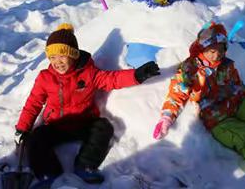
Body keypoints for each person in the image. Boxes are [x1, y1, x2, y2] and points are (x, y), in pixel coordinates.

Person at [14, 23, 160, 189]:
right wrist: (22, 128)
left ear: (74, 55)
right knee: (36, 137)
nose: (57, 62)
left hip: (83, 123)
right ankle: (49, 173)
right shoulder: (45, 78)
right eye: (52, 57)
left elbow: (111, 79)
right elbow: (33, 103)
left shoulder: (88, 73)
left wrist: (136, 75)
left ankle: (85, 166)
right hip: (55, 125)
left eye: (62, 56)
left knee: (103, 127)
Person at [153, 22, 245, 181]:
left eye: (220, 50)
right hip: (218, 120)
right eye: (211, 51)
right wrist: (167, 118)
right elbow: (177, 94)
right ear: (203, 49)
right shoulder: (190, 69)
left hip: (237, 104)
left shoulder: (226, 65)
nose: (216, 55)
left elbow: (237, 84)